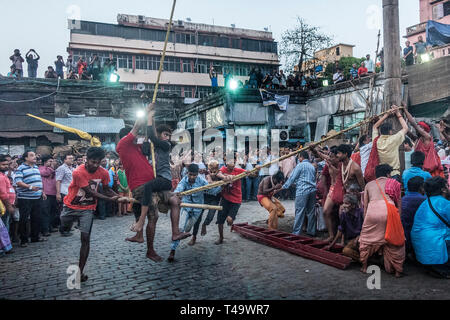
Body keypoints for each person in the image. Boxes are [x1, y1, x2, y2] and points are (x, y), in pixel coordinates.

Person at [60, 147, 129, 282]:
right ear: (86, 159)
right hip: (70, 206)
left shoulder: (103, 172)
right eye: (93, 162)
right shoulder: (78, 172)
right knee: (63, 225)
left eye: (98, 162)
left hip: (87, 209)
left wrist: (118, 197)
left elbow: (107, 189)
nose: (96, 165)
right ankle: (66, 228)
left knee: (85, 239)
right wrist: (111, 199)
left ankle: (80, 271)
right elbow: (91, 192)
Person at [131, 103, 190, 242]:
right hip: (157, 180)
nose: (167, 137)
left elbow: (152, 135)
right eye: (165, 134)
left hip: (164, 180)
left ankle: (140, 222)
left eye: (169, 135)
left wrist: (150, 117)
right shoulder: (153, 146)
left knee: (147, 187)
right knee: (138, 200)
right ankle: (142, 234)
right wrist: (149, 124)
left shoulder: (165, 145)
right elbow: (147, 142)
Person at [116, 119, 159, 259]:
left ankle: (139, 236)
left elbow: (149, 136)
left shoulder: (137, 148)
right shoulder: (123, 144)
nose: (137, 137)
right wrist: (147, 112)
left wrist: (151, 123)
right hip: (141, 186)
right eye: (135, 136)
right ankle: (150, 250)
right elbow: (136, 126)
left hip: (150, 183)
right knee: (153, 216)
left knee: (137, 207)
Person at [167, 164, 221, 262]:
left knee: (187, 228)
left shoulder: (202, 181)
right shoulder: (184, 180)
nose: (192, 177)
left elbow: (212, 191)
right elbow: (179, 189)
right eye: (190, 174)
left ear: (197, 174)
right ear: (187, 173)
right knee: (180, 228)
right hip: (186, 206)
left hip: (197, 209)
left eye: (194, 175)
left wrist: (223, 184)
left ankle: (185, 234)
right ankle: (172, 251)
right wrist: (176, 194)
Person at [359, 164, 405, 278]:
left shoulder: (369, 184)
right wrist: (398, 220)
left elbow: (365, 205)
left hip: (372, 212)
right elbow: (398, 204)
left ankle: (364, 266)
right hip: (389, 211)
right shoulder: (394, 183)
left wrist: (366, 221)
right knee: (395, 241)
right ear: (388, 174)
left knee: (367, 241)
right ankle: (398, 271)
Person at [411, 177, 449, 278]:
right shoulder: (444, 203)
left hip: (422, 255)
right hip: (435, 250)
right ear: (443, 189)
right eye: (447, 186)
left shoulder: (425, 203)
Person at [281, 151, 317, 236]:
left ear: (301, 157)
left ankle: (296, 233)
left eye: (298, 157)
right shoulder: (311, 166)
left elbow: (292, 177)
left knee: (299, 212)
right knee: (311, 212)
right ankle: (311, 231)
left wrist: (284, 186)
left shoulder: (300, 165)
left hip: (302, 191)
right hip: (312, 190)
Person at [370, 106, 409, 182]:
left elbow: (375, 127)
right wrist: (398, 113)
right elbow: (405, 128)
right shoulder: (394, 139)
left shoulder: (376, 140)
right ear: (390, 131)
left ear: (380, 131)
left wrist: (386, 115)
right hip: (393, 173)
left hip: (380, 175)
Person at [14, 151, 45, 247]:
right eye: (32, 155)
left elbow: (38, 181)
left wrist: (42, 192)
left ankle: (35, 237)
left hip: (37, 197)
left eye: (35, 155)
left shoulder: (36, 167)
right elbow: (18, 182)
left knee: (37, 217)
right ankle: (24, 240)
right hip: (25, 197)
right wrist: (30, 187)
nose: (35, 157)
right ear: (26, 158)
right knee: (24, 218)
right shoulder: (21, 168)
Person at [190, 160, 224, 245]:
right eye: (210, 170)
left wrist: (223, 180)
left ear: (217, 169)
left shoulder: (221, 175)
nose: (212, 173)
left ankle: (205, 224)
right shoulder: (205, 174)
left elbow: (227, 179)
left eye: (214, 171)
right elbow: (207, 182)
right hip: (204, 197)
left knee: (211, 216)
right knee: (198, 217)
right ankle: (194, 237)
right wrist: (216, 182)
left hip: (215, 198)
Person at [404, 109, 444, 177]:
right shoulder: (418, 139)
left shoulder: (427, 137)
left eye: (420, 127)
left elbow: (414, 124)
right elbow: (407, 130)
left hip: (428, 169)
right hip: (421, 169)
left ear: (424, 130)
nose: (417, 128)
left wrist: (405, 109)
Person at [215, 158, 245, 245]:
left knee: (229, 219)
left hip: (236, 199)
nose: (233, 163)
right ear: (226, 163)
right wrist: (226, 177)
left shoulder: (238, 170)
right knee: (220, 221)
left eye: (234, 162)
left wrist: (256, 170)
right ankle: (221, 238)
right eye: (230, 161)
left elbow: (251, 173)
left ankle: (231, 221)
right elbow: (218, 173)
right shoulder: (223, 169)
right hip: (225, 198)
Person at [325, 194, 364, 261]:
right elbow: (340, 230)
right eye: (343, 203)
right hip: (352, 240)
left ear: (353, 205)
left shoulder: (361, 212)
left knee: (349, 249)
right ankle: (363, 260)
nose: (344, 206)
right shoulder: (344, 214)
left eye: (346, 203)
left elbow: (366, 228)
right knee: (346, 251)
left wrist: (358, 237)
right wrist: (331, 245)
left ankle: (365, 259)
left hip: (363, 238)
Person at [401, 176, 426, 259]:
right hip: (415, 237)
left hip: (402, 235)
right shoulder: (423, 200)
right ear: (421, 188)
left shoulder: (402, 199)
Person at [39, 155, 58, 237]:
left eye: (52, 161)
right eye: (50, 161)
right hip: (46, 193)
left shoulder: (52, 169)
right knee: (45, 212)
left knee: (52, 212)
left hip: (53, 192)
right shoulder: (41, 168)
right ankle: (45, 229)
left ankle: (50, 227)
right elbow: (45, 173)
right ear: (45, 162)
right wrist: (51, 167)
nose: (51, 163)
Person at [0, 155, 16, 234]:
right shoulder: (1, 177)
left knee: (6, 223)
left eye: (7, 165)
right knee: (4, 225)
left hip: (7, 204)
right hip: (3, 205)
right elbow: (3, 194)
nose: (6, 166)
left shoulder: (4, 175)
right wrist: (9, 206)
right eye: (3, 165)